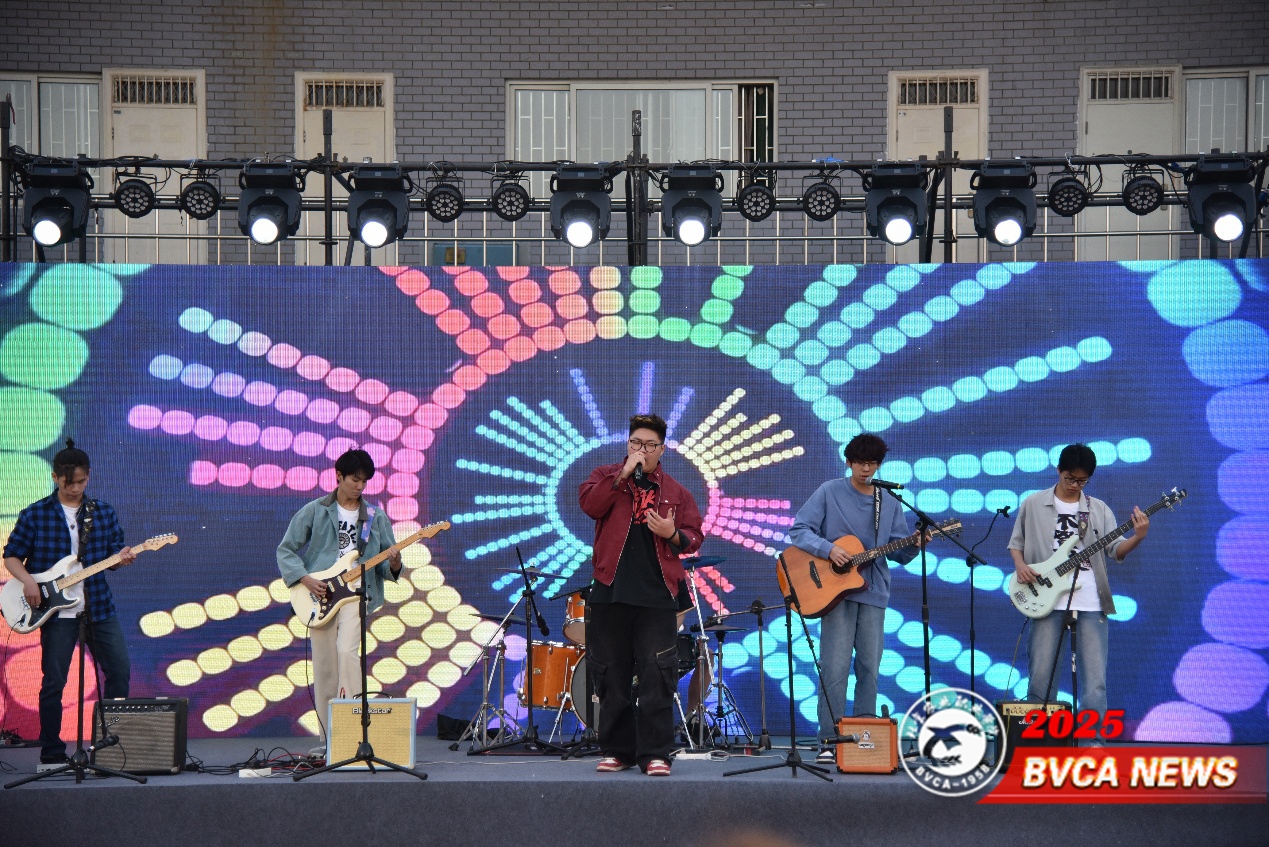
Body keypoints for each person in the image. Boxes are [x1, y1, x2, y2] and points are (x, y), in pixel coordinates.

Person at [788, 433, 926, 764]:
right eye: (861, 463)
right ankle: (828, 740)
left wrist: (915, 545)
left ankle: (863, 741)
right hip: (834, 595)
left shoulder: (888, 501)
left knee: (869, 668)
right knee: (835, 668)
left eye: (873, 464)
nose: (866, 469)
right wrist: (829, 549)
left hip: (874, 592)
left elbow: (898, 552)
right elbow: (799, 530)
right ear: (848, 463)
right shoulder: (829, 491)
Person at [579, 414, 703, 776]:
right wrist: (620, 476)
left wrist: (671, 533)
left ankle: (655, 754)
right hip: (610, 590)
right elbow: (590, 506)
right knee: (610, 675)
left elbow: (694, 537)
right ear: (628, 444)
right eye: (636, 443)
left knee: (656, 676)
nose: (642, 450)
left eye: (650, 445)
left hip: (656, 595)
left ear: (662, 449)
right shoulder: (605, 477)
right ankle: (617, 750)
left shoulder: (677, 492)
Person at [3, 440, 136, 765]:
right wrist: (29, 582)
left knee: (119, 671)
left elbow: (114, 556)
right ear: (55, 477)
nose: (76, 488)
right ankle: (51, 751)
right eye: (69, 482)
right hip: (56, 612)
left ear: (88, 476)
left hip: (98, 606)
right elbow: (11, 556)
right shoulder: (35, 514)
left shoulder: (102, 512)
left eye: (81, 481)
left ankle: (109, 747)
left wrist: (122, 559)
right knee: (54, 682)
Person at [1009, 443, 1148, 726]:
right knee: (1041, 677)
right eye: (1069, 478)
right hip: (1046, 600)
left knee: (1095, 680)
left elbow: (1115, 550)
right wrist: (1021, 567)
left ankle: (1091, 741)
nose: (1074, 485)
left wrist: (1138, 537)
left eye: (1082, 481)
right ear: (1058, 470)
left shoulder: (1098, 508)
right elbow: (1016, 544)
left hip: (1091, 601)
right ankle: (1040, 739)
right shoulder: (1033, 503)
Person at [277, 448, 401, 756]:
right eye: (354, 479)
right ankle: (329, 740)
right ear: (339, 476)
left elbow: (385, 565)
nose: (360, 486)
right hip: (320, 594)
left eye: (364, 481)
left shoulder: (375, 517)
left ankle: (355, 733)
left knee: (347, 653)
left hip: (356, 594)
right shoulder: (315, 510)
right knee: (324, 668)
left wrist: (395, 563)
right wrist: (305, 579)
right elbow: (286, 550)